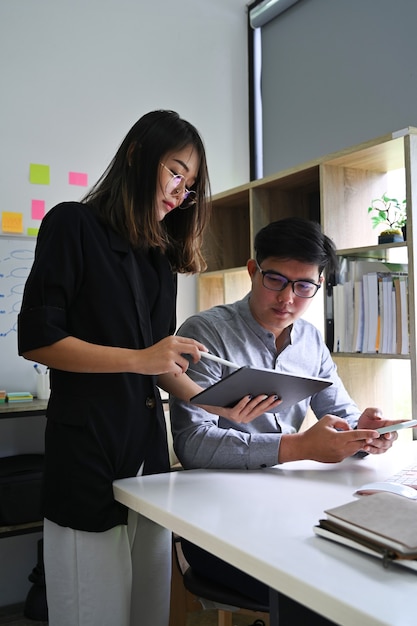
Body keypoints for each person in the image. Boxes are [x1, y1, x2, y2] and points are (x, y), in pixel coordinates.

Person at [17, 110, 276, 626]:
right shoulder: (72, 224)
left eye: (191, 184)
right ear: (138, 156)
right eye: (176, 172)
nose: (181, 193)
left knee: (148, 614)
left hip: (147, 457)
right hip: (87, 453)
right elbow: (39, 340)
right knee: (93, 613)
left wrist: (213, 404)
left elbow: (158, 364)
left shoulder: (159, 259)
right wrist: (143, 358)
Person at [170, 216, 402, 626]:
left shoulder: (310, 339)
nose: (288, 299)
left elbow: (342, 412)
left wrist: (365, 432)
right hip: (219, 523)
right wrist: (296, 447)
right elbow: (192, 443)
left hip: (289, 513)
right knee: (325, 585)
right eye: (275, 280)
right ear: (252, 270)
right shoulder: (205, 333)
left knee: (373, 569)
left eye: (304, 286)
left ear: (318, 285)